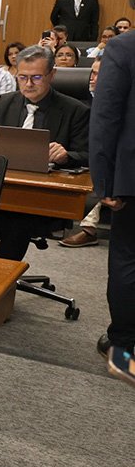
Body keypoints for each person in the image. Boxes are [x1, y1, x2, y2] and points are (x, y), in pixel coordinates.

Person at [0, 45, 90, 261]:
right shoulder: (2, 104)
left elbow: (87, 156)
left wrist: (67, 156)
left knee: (18, 221)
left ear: (52, 75)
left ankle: (0, 271)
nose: (28, 84)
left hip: (42, 198)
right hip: (3, 187)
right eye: (22, 77)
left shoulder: (76, 111)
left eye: (36, 77)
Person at [90, 21, 135, 381]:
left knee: (127, 260)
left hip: (132, 179)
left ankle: (123, 348)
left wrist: (103, 181)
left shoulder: (123, 47)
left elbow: (105, 117)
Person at [61, 58, 106, 249]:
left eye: (99, 73)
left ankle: (89, 229)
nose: (92, 78)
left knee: (101, 172)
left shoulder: (118, 101)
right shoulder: (78, 102)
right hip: (78, 151)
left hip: (103, 157)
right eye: (92, 72)